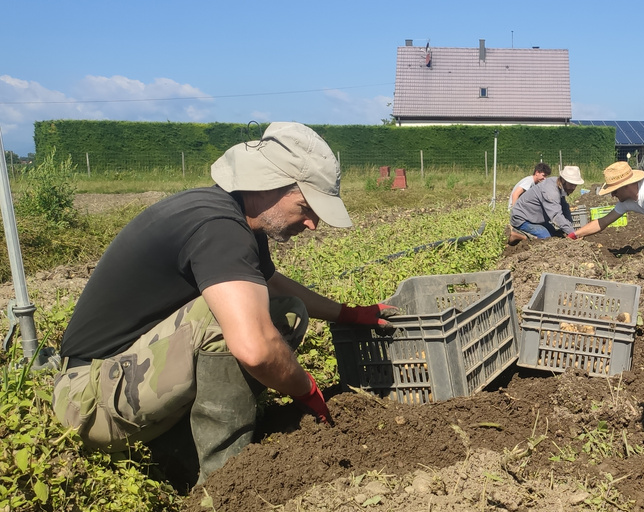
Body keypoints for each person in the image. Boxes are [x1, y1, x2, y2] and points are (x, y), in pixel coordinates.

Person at [51, 122, 397, 488]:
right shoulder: (219, 226)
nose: (312, 223)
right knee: (231, 322)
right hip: (88, 400)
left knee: (284, 309)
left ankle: (180, 448)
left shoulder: (235, 216)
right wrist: (307, 390)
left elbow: (271, 284)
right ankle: (223, 484)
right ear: (269, 185)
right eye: (305, 207)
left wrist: (348, 314)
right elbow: (255, 350)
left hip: (122, 379)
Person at [573, 161, 644, 251]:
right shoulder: (627, 202)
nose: (612, 195)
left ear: (626, 186)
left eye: (615, 191)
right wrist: (574, 235)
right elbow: (603, 222)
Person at [508, 165, 584, 241]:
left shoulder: (558, 185)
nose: (573, 188)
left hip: (535, 218)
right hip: (522, 218)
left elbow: (565, 208)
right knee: (547, 238)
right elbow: (556, 215)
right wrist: (573, 234)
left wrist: (571, 230)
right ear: (563, 180)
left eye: (575, 185)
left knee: (555, 234)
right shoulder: (551, 191)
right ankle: (521, 236)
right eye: (571, 184)